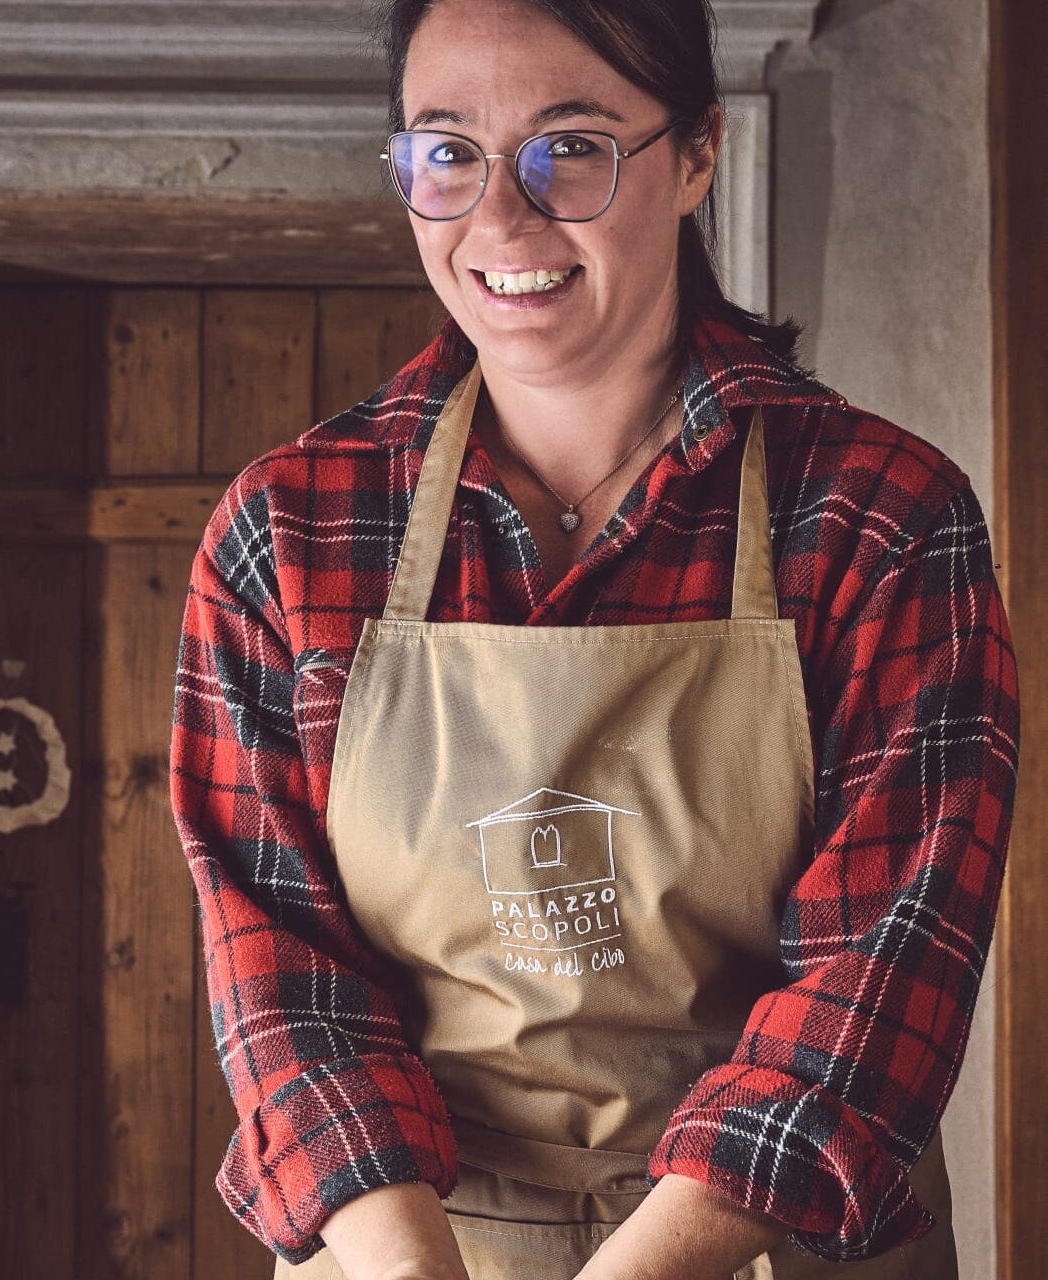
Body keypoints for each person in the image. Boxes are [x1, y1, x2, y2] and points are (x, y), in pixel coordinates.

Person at [168, 0, 1020, 1277]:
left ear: (694, 157)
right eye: (447, 151)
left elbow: (878, 978)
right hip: (409, 1241)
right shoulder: (288, 529)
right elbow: (281, 974)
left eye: (569, 147)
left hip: (763, 1238)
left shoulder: (876, 517)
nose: (499, 221)